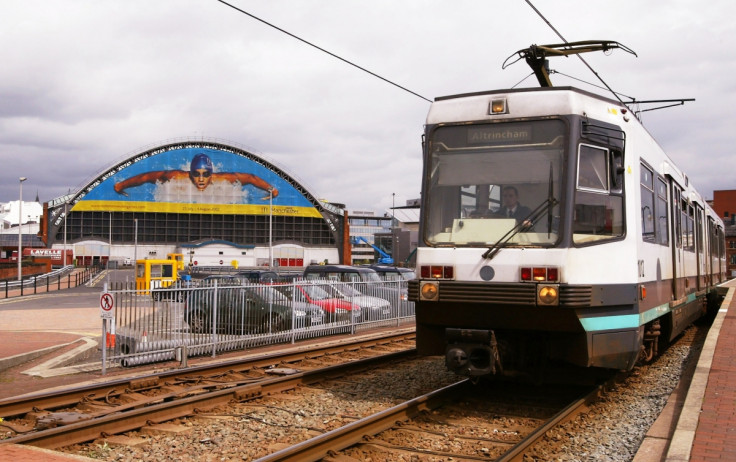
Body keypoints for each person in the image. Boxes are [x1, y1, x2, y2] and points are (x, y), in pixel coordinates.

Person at [114, 153, 278, 200]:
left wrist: (271, 190)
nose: (201, 179)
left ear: (211, 174)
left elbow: (250, 178)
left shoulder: (223, 179)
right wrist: (121, 185)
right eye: (196, 174)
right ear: (190, 173)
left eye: (205, 174)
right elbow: (146, 177)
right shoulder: (176, 177)